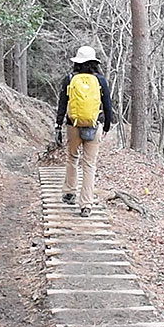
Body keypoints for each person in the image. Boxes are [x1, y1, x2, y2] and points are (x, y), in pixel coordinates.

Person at [55, 46, 114, 217]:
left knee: (72, 158)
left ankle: (69, 192)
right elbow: (108, 106)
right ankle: (86, 204)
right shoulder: (100, 81)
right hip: (95, 126)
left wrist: (58, 125)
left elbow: (62, 104)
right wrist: (107, 126)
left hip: (73, 124)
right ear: (94, 63)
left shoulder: (69, 79)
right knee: (89, 165)